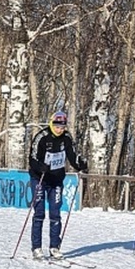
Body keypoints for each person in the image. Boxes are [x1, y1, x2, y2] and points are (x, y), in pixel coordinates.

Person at [28, 111, 88, 261]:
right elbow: (32, 158)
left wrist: (79, 165)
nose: (60, 129)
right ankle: (36, 247)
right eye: (57, 126)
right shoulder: (42, 137)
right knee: (39, 212)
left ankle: (54, 246)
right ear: (51, 123)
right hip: (40, 178)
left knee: (55, 213)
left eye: (62, 127)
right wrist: (40, 167)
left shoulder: (67, 138)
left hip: (56, 180)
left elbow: (72, 156)